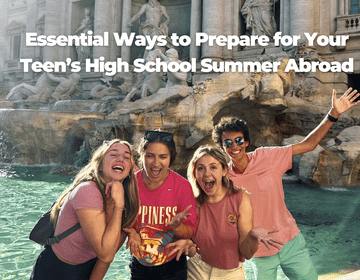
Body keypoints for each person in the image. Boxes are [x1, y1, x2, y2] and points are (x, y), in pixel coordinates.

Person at [211, 88, 360, 279]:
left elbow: (308, 145)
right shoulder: (224, 178)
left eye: (238, 140)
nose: (234, 146)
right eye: (228, 143)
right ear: (222, 147)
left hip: (290, 241)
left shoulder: (267, 156)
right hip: (258, 252)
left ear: (246, 142)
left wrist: (333, 114)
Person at [166, 145, 283, 280]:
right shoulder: (192, 202)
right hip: (196, 271)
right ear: (195, 173)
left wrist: (252, 236)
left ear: (224, 170)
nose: (206, 173)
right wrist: (183, 240)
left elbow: (247, 253)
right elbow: (191, 248)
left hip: (230, 274)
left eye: (213, 167)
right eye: (200, 168)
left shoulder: (240, 199)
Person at [30, 139, 140, 280]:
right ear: (100, 165)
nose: (120, 158)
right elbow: (105, 254)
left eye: (126, 157)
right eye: (113, 154)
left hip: (87, 268)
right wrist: (118, 206)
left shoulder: (127, 201)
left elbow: (107, 257)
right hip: (56, 270)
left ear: (131, 169)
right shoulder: (87, 191)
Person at [124, 130, 197, 280]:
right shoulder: (130, 183)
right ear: (142, 155)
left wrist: (177, 227)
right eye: (150, 156)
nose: (156, 163)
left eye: (163, 157)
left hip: (172, 266)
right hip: (139, 264)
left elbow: (189, 233)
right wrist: (130, 231)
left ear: (171, 158)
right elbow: (116, 217)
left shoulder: (182, 187)